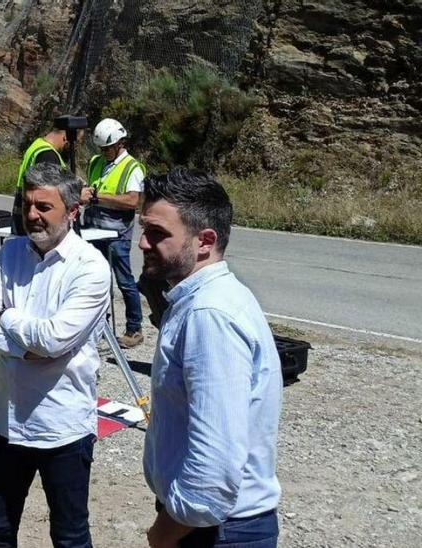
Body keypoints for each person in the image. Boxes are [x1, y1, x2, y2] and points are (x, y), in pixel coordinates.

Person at [0, 162, 111, 548]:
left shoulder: (91, 268)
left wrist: (7, 315)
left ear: (72, 211)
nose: (32, 215)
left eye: (44, 207)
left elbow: (53, 341)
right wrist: (21, 348)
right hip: (3, 420)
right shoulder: (10, 253)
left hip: (60, 426)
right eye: (28, 204)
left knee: (69, 535)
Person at [138, 169, 283, 548]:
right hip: (208, 526)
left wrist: (162, 534)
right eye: (144, 229)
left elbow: (212, 473)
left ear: (205, 241)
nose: (141, 243)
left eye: (158, 233)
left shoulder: (209, 316)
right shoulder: (205, 300)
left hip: (215, 532)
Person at [81, 118, 146, 348]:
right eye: (101, 148)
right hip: (92, 231)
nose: (104, 152)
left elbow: (132, 201)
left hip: (116, 234)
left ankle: (134, 328)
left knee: (124, 281)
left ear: (120, 143)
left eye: (107, 148)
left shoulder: (132, 167)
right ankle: (99, 326)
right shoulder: (96, 162)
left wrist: (99, 197)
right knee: (95, 281)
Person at [12, 123, 70, 234]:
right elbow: (50, 194)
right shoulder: (48, 155)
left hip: (22, 217)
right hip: (36, 224)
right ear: (65, 138)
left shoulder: (37, 145)